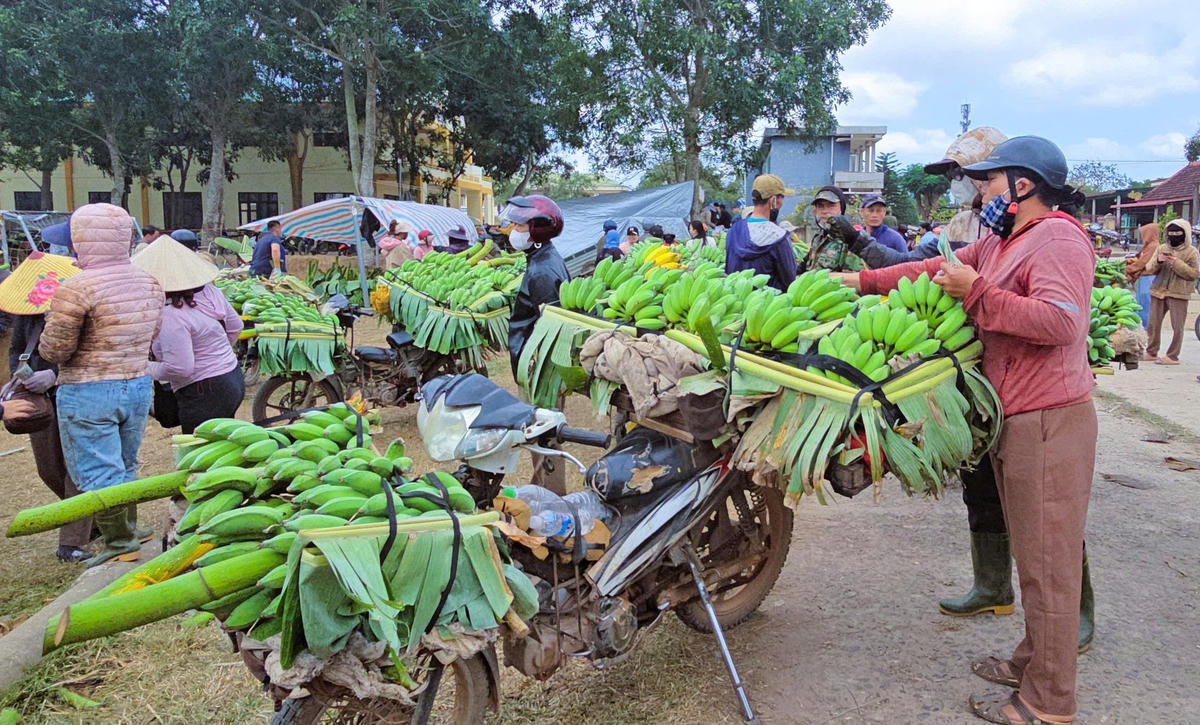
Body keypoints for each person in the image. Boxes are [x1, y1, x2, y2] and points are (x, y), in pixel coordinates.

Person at [836, 136, 1096, 725]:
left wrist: (977, 294)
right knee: (1033, 557)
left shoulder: (1057, 239)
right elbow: (936, 268)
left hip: (1049, 419)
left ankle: (1049, 703)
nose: (981, 193)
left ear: (1022, 185)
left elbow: (1061, 322)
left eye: (989, 182)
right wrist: (861, 282)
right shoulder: (1005, 240)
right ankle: (1031, 661)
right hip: (1018, 417)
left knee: (1050, 566)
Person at [39, 203, 164, 567]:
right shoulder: (149, 282)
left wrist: (49, 321)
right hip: (137, 384)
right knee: (125, 462)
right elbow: (153, 334)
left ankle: (120, 542)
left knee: (97, 468)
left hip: (89, 389)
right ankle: (132, 528)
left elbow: (56, 350)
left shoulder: (76, 288)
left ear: (81, 240)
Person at [0, 252, 92, 563]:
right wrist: (21, 376)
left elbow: (87, 351)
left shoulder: (79, 308)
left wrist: (53, 374)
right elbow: (17, 349)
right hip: (37, 398)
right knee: (48, 468)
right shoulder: (26, 313)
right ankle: (92, 520)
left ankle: (72, 541)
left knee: (76, 468)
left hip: (75, 391)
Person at [132, 236, 244, 433]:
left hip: (205, 392)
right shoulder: (210, 292)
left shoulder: (171, 315)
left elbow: (180, 369)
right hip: (231, 378)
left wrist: (141, 366)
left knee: (201, 449)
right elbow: (235, 326)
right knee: (221, 442)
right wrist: (215, 354)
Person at [502, 195, 570, 494]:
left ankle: (553, 498)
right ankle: (543, 492)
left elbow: (552, 328)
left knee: (544, 437)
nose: (513, 231)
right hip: (536, 365)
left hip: (541, 370)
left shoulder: (543, 271)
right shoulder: (541, 259)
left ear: (537, 230)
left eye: (519, 225)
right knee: (539, 437)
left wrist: (537, 370)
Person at [724, 175, 798, 291]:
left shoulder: (733, 231)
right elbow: (789, 281)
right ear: (773, 201)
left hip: (735, 298)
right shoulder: (779, 237)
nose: (782, 203)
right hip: (768, 301)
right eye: (781, 198)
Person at [1143, 219, 1198, 364]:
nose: (1174, 236)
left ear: (1185, 234)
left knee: (1177, 326)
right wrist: (1159, 261)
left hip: (1178, 293)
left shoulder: (1192, 252)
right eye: (1171, 233)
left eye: (1177, 233)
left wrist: (1176, 263)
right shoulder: (1162, 248)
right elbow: (1150, 268)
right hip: (1158, 290)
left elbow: (1193, 274)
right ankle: (1151, 352)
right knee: (1153, 324)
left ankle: (1172, 356)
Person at [802, 185, 860, 272]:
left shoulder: (849, 240)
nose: (825, 211)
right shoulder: (818, 238)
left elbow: (855, 277)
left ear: (841, 209)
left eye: (831, 206)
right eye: (820, 206)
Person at [1125, 222, 1160, 329]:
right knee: (1141, 303)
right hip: (1144, 278)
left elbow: (1143, 262)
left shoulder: (1153, 246)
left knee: (1145, 304)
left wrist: (1129, 269)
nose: (1143, 237)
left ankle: (1146, 328)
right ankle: (1144, 326)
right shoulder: (1148, 246)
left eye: (1144, 234)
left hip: (1148, 278)